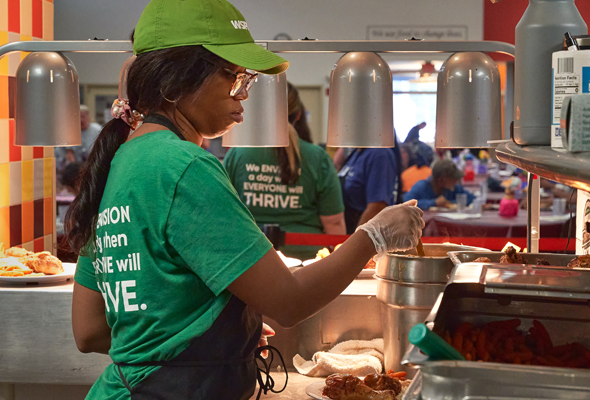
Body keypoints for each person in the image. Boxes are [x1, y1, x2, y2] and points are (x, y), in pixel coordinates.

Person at [65, 1, 423, 399]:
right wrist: (374, 236)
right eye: (233, 77)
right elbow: (290, 301)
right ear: (177, 80)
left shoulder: (120, 161)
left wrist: (220, 335)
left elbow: (91, 329)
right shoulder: (184, 166)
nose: (244, 94)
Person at [223, 83, 345, 258]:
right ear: (298, 115)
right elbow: (334, 223)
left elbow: (225, 217)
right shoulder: (318, 157)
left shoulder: (236, 154)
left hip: (250, 260)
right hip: (310, 262)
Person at [338, 146, 399, 234]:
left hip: (363, 235)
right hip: (347, 229)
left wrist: (354, 242)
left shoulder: (379, 154)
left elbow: (377, 206)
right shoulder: (357, 153)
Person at [405, 159, 476, 210]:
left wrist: (450, 203)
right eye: (453, 178)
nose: (456, 181)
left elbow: (471, 198)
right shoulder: (421, 187)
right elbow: (406, 203)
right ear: (441, 180)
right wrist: (434, 202)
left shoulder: (454, 188)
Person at [55, 105, 102, 170]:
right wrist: (69, 151)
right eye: (78, 117)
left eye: (83, 117)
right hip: (73, 169)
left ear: (88, 117)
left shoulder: (98, 130)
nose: (81, 119)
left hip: (93, 166)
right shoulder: (68, 130)